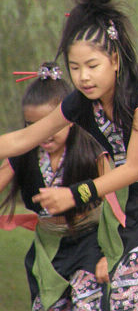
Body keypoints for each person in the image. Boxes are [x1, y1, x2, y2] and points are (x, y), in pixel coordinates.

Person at [0, 0, 138, 311]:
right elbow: (24, 138)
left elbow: (133, 168)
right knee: (126, 298)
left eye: (92, 66)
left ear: (114, 59)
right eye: (74, 68)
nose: (83, 77)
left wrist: (74, 194)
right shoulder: (80, 103)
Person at [0, 62, 107, 310]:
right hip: (48, 248)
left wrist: (107, 254)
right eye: (32, 126)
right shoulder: (23, 154)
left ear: (69, 118)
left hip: (90, 243)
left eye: (49, 124)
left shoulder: (93, 150)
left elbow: (116, 199)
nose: (43, 133)